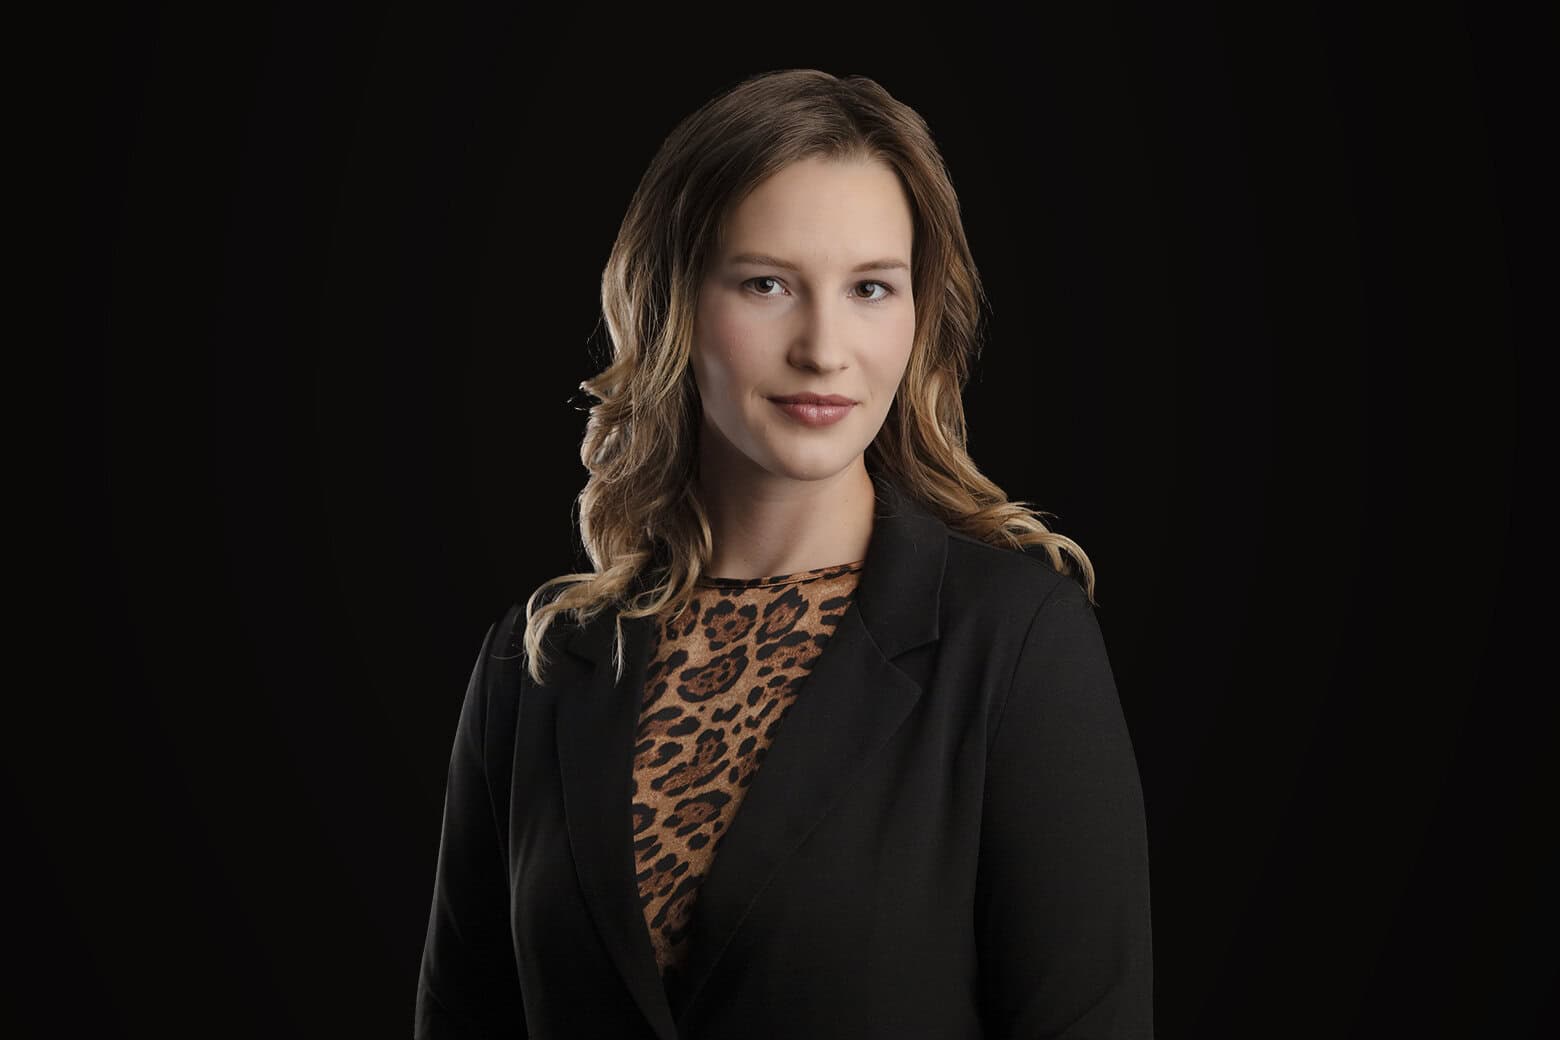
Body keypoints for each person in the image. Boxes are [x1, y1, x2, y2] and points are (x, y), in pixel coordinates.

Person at [414, 68, 1153, 1039]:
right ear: (673, 302)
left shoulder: (1015, 644)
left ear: (919, 314)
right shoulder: (536, 664)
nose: (824, 346)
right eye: (766, 283)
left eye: (871, 288)